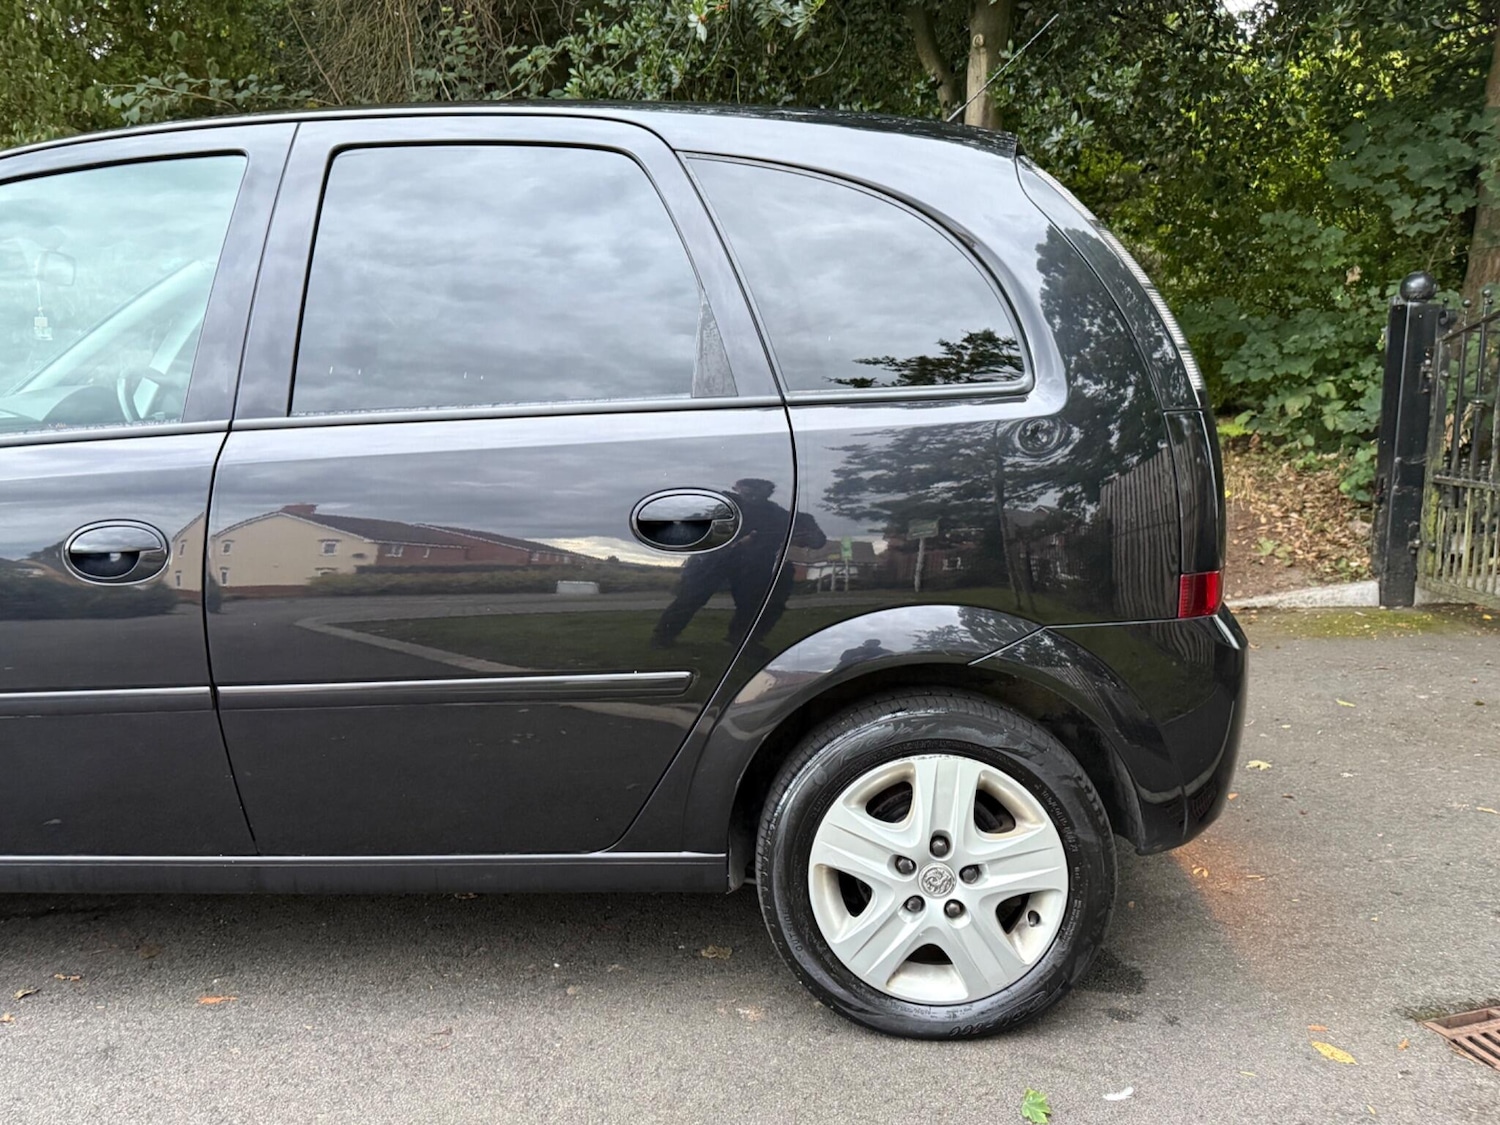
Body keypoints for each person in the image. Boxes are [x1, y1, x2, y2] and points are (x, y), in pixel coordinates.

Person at [651, 478, 825, 650]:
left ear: (768, 492)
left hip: (753, 567)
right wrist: (736, 542)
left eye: (760, 489)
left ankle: (744, 640)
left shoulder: (777, 515)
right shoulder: (721, 506)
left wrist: (807, 536)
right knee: (690, 599)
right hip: (714, 563)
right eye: (749, 488)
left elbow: (816, 539)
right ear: (738, 487)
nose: (753, 493)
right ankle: (662, 637)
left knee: (757, 604)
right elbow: (692, 530)